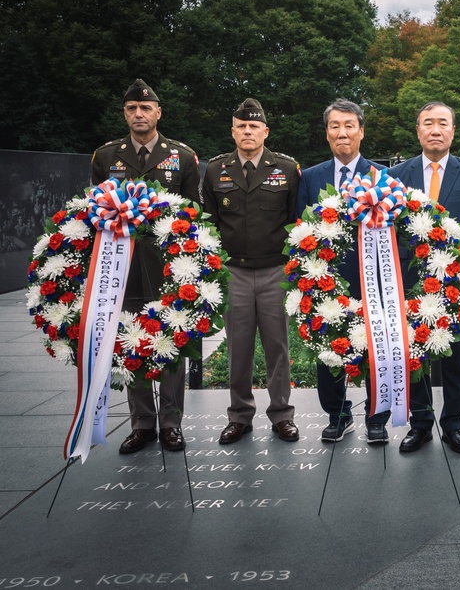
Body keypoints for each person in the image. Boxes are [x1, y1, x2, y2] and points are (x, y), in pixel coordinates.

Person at [92, 78, 200, 454]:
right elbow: (94, 211)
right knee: (130, 341)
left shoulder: (182, 157)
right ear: (125, 113)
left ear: (158, 112)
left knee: (170, 342)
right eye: (131, 109)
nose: (139, 114)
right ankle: (142, 424)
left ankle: (171, 423)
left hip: (168, 269)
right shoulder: (105, 157)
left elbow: (194, 214)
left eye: (145, 108)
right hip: (121, 268)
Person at [387, 102, 460, 454]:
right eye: (427, 123)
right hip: (410, 280)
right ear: (417, 131)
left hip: (454, 282)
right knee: (414, 355)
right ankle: (420, 425)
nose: (435, 129)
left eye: (442, 123)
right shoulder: (397, 175)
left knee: (455, 358)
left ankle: (453, 425)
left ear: (453, 131)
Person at [201, 98, 300, 444]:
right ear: (232, 131)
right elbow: (209, 224)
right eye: (241, 126)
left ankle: (281, 415)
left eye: (254, 126)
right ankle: (240, 415)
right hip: (234, 272)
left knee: (278, 347)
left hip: (275, 270)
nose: (248, 131)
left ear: (265, 131)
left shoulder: (287, 169)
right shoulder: (215, 170)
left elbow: (294, 222)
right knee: (238, 348)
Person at [296, 99, 390, 445]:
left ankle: (377, 417)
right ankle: (337, 414)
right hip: (325, 281)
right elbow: (300, 229)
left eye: (349, 125)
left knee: (375, 348)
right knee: (329, 348)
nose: (342, 132)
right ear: (327, 133)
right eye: (335, 126)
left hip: (373, 279)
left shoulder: (382, 176)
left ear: (361, 131)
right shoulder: (310, 177)